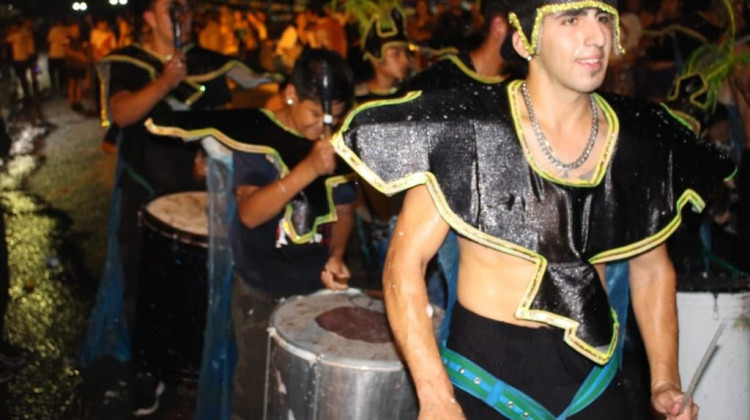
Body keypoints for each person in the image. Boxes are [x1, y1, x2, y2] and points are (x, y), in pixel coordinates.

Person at [332, 1, 733, 419]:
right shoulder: (469, 132)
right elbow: (404, 262)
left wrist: (664, 380)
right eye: (571, 19)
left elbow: (651, 269)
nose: (595, 36)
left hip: (594, 386)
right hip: (484, 384)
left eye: (602, 18)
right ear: (523, 40)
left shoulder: (638, 141)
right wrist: (435, 395)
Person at [80, 0, 273, 415]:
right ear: (149, 17)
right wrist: (166, 81)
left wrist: (215, 157)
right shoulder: (130, 61)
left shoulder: (204, 63)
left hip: (195, 194)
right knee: (143, 288)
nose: (183, 17)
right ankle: (148, 374)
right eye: (172, 9)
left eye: (186, 10)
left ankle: (188, 367)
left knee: (195, 286)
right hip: (144, 192)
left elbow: (221, 120)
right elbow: (122, 113)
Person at [145, 48, 356, 420]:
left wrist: (336, 254)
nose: (324, 129)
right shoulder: (258, 135)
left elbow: (343, 207)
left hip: (314, 288)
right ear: (291, 94)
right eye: (314, 114)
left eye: (335, 119)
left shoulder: (333, 140)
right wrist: (309, 168)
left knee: (308, 389)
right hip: (262, 291)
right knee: (257, 392)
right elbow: (251, 213)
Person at [47, 19, 69, 97]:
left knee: (56, 73)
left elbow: (49, 40)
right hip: (57, 54)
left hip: (57, 54)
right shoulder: (65, 30)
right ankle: (59, 88)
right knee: (60, 73)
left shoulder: (55, 30)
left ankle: (56, 88)